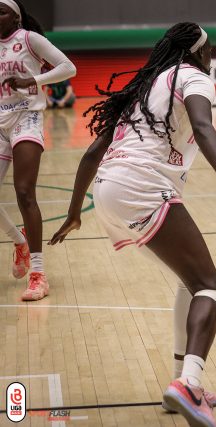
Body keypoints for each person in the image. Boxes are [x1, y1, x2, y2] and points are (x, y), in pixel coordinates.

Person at [49, 23, 216, 427]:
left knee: (189, 282)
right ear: (198, 51)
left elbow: (92, 152)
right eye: (211, 48)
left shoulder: (144, 85)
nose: (212, 55)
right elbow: (203, 126)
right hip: (143, 185)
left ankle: (179, 385)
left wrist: (75, 212)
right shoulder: (194, 78)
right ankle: (190, 384)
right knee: (210, 286)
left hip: (108, 188)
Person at [0, 0, 76, 300]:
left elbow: (68, 67)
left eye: (1, 11)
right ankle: (19, 241)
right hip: (0, 122)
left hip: (27, 117)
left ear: (16, 18)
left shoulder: (30, 39)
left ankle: (38, 275)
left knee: (24, 191)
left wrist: (33, 79)